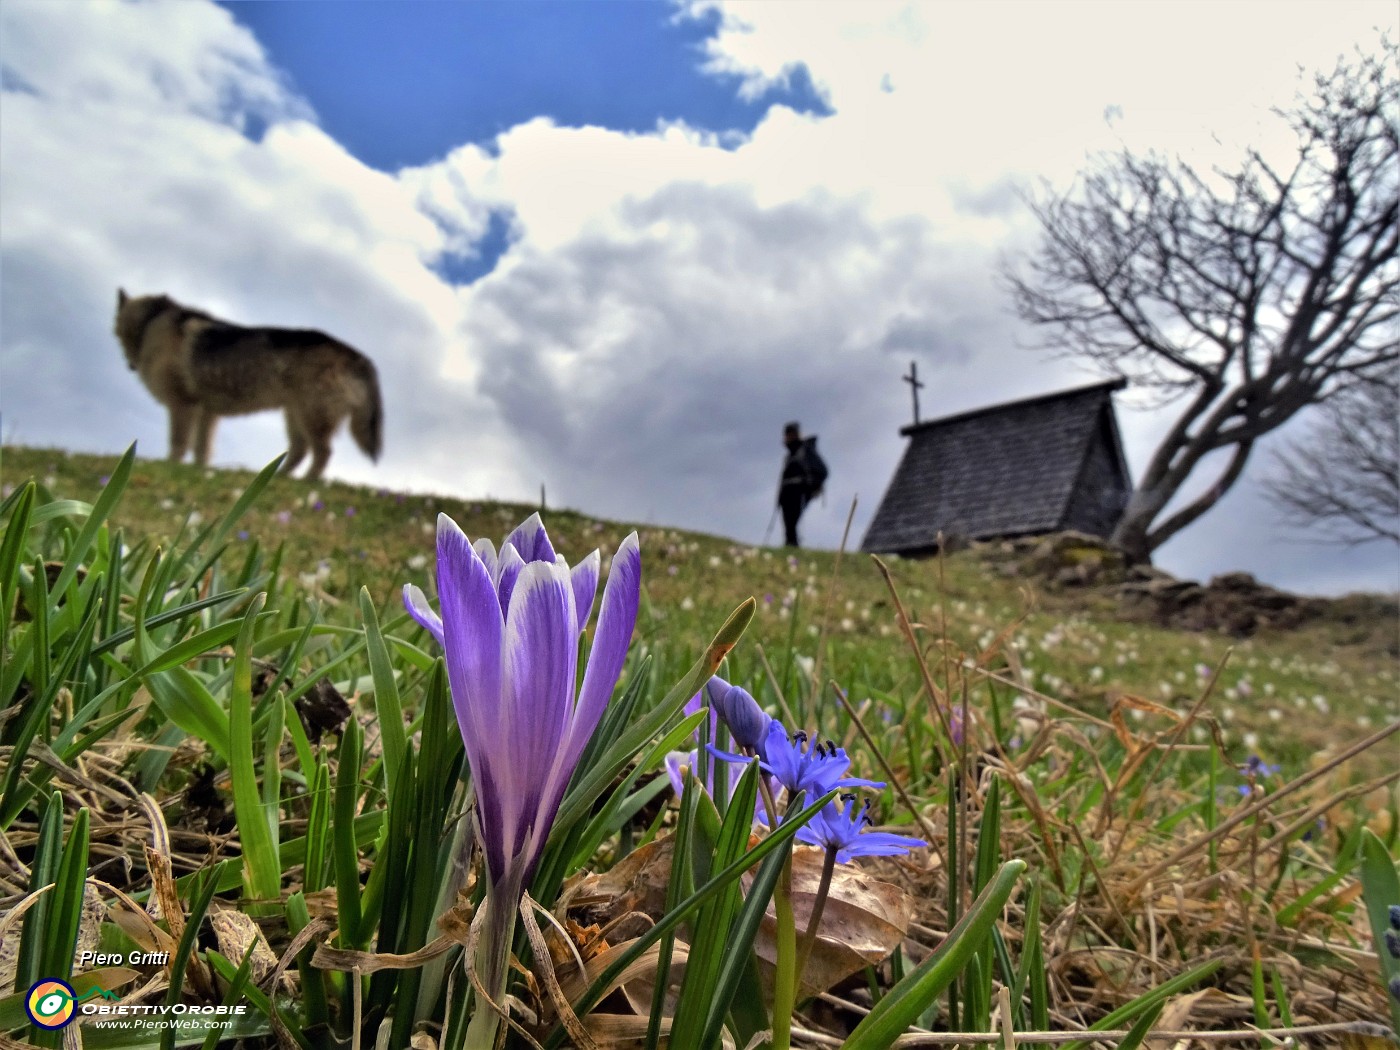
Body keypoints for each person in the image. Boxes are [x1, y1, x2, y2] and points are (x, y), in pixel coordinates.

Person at [776, 421, 828, 548]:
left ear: (795, 434)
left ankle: (793, 547)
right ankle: (790, 547)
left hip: (799, 494)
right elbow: (783, 480)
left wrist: (807, 484)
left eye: (789, 434)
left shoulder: (806, 450)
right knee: (788, 524)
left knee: (792, 523)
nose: (787, 438)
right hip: (786, 495)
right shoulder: (789, 456)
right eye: (786, 435)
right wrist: (779, 498)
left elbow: (822, 471)